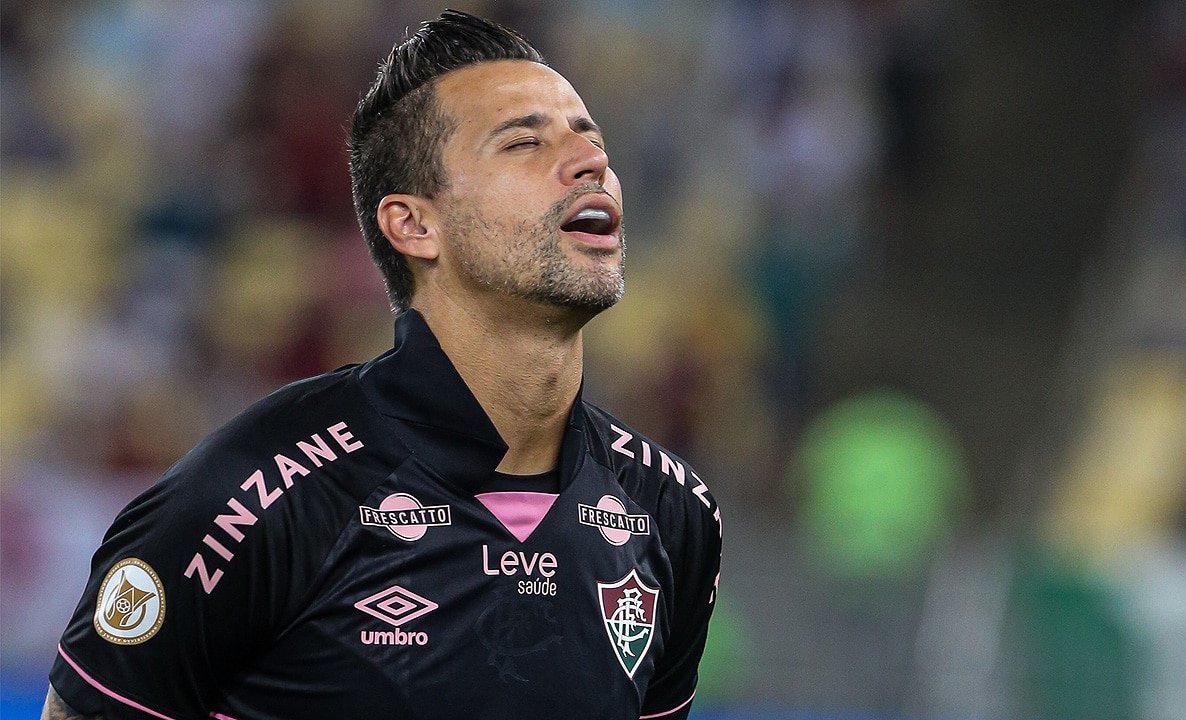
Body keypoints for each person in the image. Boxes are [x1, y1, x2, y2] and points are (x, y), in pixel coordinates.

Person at [43, 9, 721, 720]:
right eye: (524, 142)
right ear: (414, 224)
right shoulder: (249, 497)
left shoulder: (672, 513)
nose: (591, 163)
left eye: (592, 139)